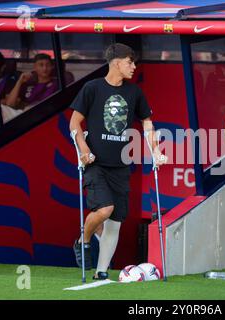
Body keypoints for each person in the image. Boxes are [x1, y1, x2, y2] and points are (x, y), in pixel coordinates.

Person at [69, 43, 166, 280]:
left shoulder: (134, 93)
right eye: (129, 62)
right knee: (105, 209)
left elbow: (147, 124)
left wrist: (156, 151)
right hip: (95, 163)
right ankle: (84, 239)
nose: (133, 67)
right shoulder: (92, 88)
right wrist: (83, 149)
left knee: (115, 222)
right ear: (116, 62)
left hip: (121, 166)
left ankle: (101, 272)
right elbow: (74, 123)